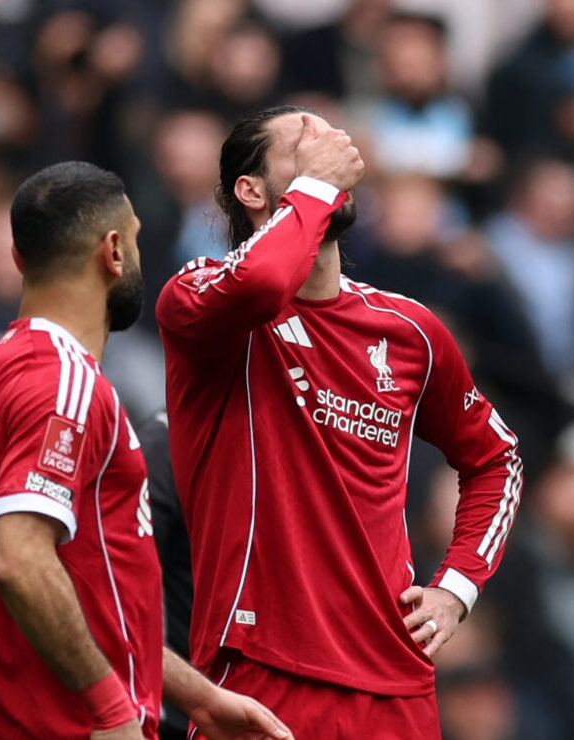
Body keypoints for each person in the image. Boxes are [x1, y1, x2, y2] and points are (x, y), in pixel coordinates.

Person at [156, 105, 523, 737]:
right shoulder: (201, 296)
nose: (334, 148)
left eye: (334, 136)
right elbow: (265, 280)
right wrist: (318, 185)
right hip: (260, 673)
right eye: (305, 141)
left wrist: (456, 588)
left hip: (395, 685)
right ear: (251, 190)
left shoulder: (409, 331)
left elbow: (496, 459)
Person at [0, 161, 293, 739]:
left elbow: (85, 600)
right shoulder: (66, 386)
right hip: (67, 728)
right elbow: (21, 561)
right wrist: (110, 710)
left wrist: (199, 698)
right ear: (113, 252)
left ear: (18, 259)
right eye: (133, 236)